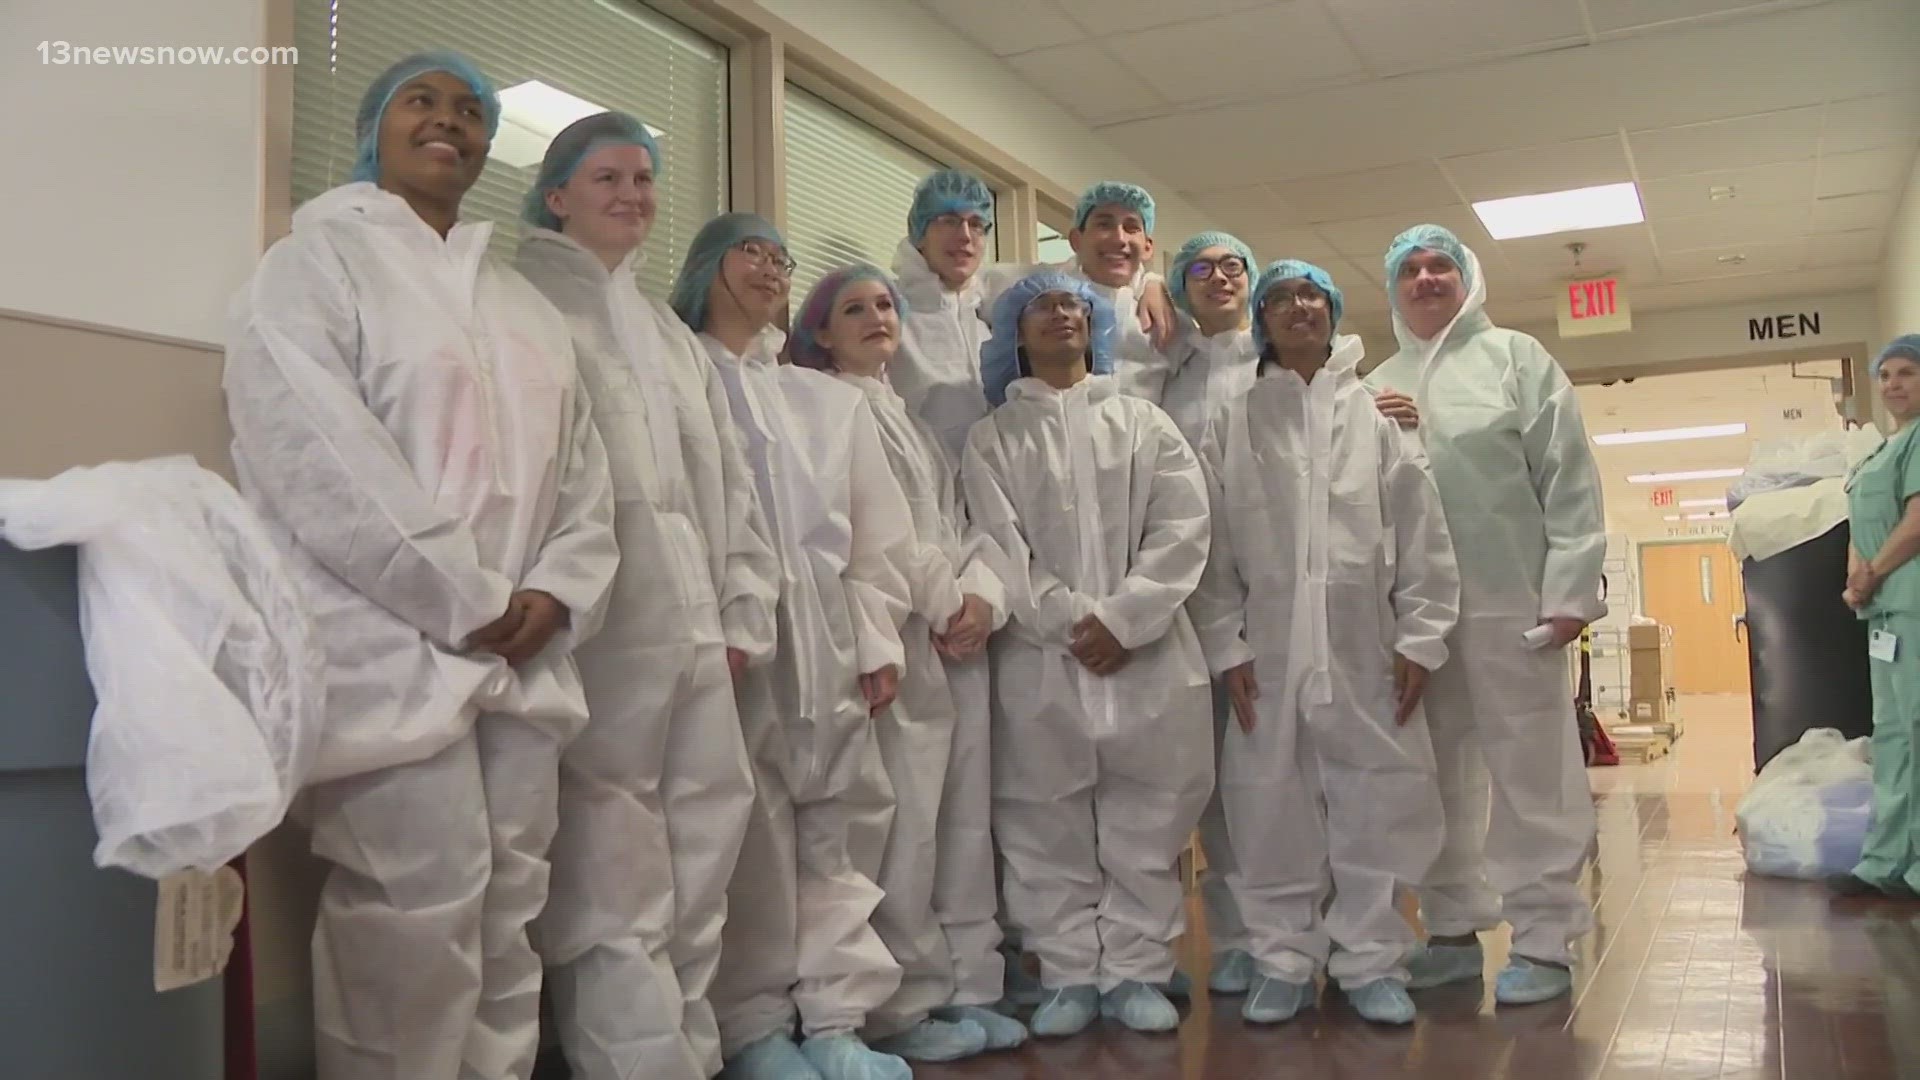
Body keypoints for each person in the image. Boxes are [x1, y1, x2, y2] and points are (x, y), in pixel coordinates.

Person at [222, 51, 618, 1080]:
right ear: (375, 127)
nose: (451, 123)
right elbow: (317, 453)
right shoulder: (313, 266)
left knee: (507, 904)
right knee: (412, 905)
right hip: (386, 645)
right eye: (422, 102)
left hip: (524, 654)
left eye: (472, 112)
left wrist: (556, 590)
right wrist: (467, 596)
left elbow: (583, 477)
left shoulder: (523, 304)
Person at [514, 112, 782, 1080]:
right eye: (607, 177)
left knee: (707, 840)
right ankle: (632, 1062)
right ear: (555, 194)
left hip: (698, 626)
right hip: (603, 628)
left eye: (644, 178)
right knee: (613, 861)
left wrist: (744, 609)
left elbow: (734, 487)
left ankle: (691, 1051)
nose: (632, 193)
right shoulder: (526, 306)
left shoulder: (668, 334)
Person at [670, 212, 920, 1080]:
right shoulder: (677, 375)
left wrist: (874, 638)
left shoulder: (822, 399)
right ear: (706, 267)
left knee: (838, 826)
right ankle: (751, 1025)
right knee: (744, 837)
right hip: (726, 639)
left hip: (824, 635)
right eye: (752, 252)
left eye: (782, 258)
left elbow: (874, 538)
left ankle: (837, 1019)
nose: (771, 268)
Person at [1189, 259, 1460, 1027]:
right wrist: (1226, 644)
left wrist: (1422, 637)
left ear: (1334, 312)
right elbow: (1213, 545)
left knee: (1378, 800)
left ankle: (1371, 958)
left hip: (1366, 648)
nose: (1298, 308)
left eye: (1312, 296)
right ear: (1263, 320)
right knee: (1268, 805)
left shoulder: (1376, 413)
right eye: (1280, 299)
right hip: (1267, 655)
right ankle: (1282, 957)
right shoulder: (1234, 418)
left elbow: (1420, 531)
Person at [960, 269, 1214, 1037]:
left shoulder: (1143, 423)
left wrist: (1126, 617)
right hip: (1043, 662)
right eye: (1040, 307)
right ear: (1013, 333)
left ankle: (1136, 968)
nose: (1061, 316)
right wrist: (1075, 622)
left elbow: (1183, 526)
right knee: (1043, 819)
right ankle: (1070, 971)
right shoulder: (993, 437)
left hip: (1149, 659)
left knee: (1151, 816)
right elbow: (998, 544)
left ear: (1096, 325)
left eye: (1074, 305)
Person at [789, 265, 1031, 1056]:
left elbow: (954, 523)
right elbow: (868, 536)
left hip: (939, 642)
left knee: (948, 826)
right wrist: (939, 600)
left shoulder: (909, 416)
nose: (875, 318)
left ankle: (940, 992)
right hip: (883, 638)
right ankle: (889, 1010)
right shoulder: (822, 409)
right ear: (820, 332)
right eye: (852, 309)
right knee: (890, 833)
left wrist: (978, 595)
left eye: (884, 304)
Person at [1363, 224, 1607, 1006]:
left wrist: (1569, 591)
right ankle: (1452, 927)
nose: (1426, 278)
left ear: (1469, 279)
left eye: (1442, 266)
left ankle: (1541, 939)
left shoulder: (1517, 359)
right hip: (1416, 617)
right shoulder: (1373, 381)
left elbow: (1567, 476)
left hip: (1512, 602)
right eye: (1411, 269)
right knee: (1431, 774)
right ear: (1393, 288)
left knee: (1532, 769)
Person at [1156, 231, 1262, 997]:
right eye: (1201, 268)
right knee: (1217, 781)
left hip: (1282, 601)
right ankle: (1237, 939)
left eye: (1234, 267)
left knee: (1294, 773)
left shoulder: (1284, 365)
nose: (1219, 278)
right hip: (1187, 605)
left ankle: (1315, 930)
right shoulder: (1167, 374)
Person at [1836, 333, 1920, 900]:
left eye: (1906, 373)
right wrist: (1855, 578)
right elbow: (1859, 522)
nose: (1892, 385)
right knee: (1891, 734)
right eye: (1884, 375)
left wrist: (1871, 574)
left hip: (1909, 597)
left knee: (1917, 729)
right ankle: (1885, 860)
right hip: (1882, 610)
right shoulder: (1881, 449)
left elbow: (1916, 521)